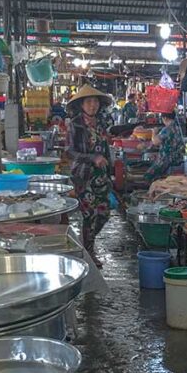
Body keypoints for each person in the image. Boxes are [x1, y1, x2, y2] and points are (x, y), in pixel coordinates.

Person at [65, 84, 114, 266]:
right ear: (81, 104)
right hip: (83, 177)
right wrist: (92, 158)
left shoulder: (101, 124)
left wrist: (110, 171)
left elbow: (105, 148)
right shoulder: (75, 124)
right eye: (89, 102)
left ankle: (86, 245)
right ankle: (89, 252)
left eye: (95, 102)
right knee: (89, 215)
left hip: (101, 176)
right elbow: (69, 151)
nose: (93, 105)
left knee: (104, 213)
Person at [144, 111, 184, 183]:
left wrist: (154, 132)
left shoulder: (167, 129)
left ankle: (151, 190)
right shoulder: (178, 127)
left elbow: (155, 142)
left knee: (148, 175)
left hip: (167, 159)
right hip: (178, 157)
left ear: (165, 118)